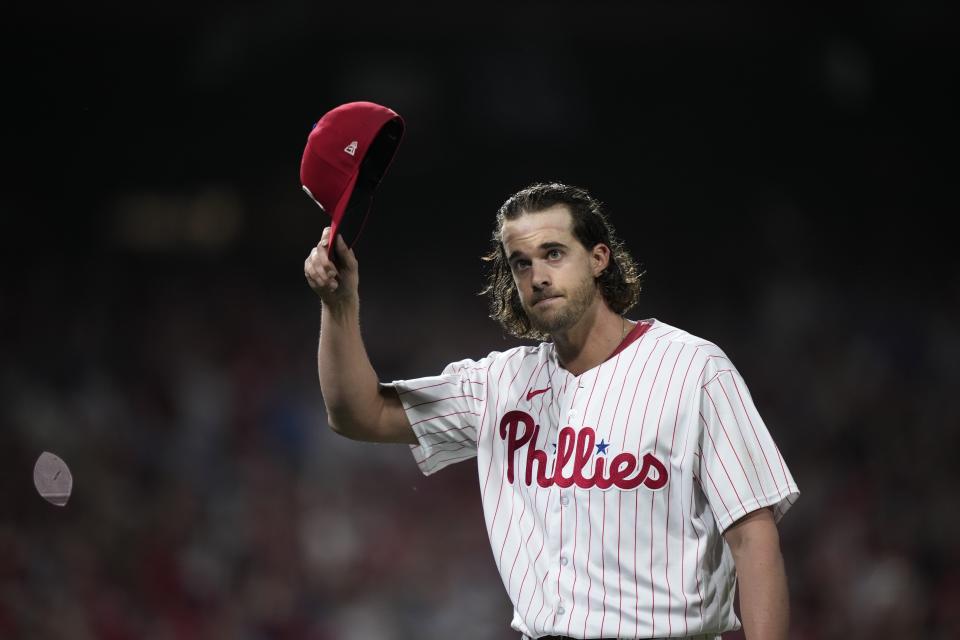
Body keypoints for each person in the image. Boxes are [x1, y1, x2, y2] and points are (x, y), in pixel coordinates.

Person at [304, 182, 799, 640]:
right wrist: (339, 303)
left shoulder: (692, 368)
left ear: (599, 258)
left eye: (554, 254)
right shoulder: (498, 383)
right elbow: (357, 414)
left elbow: (754, 542)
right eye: (521, 263)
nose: (538, 276)